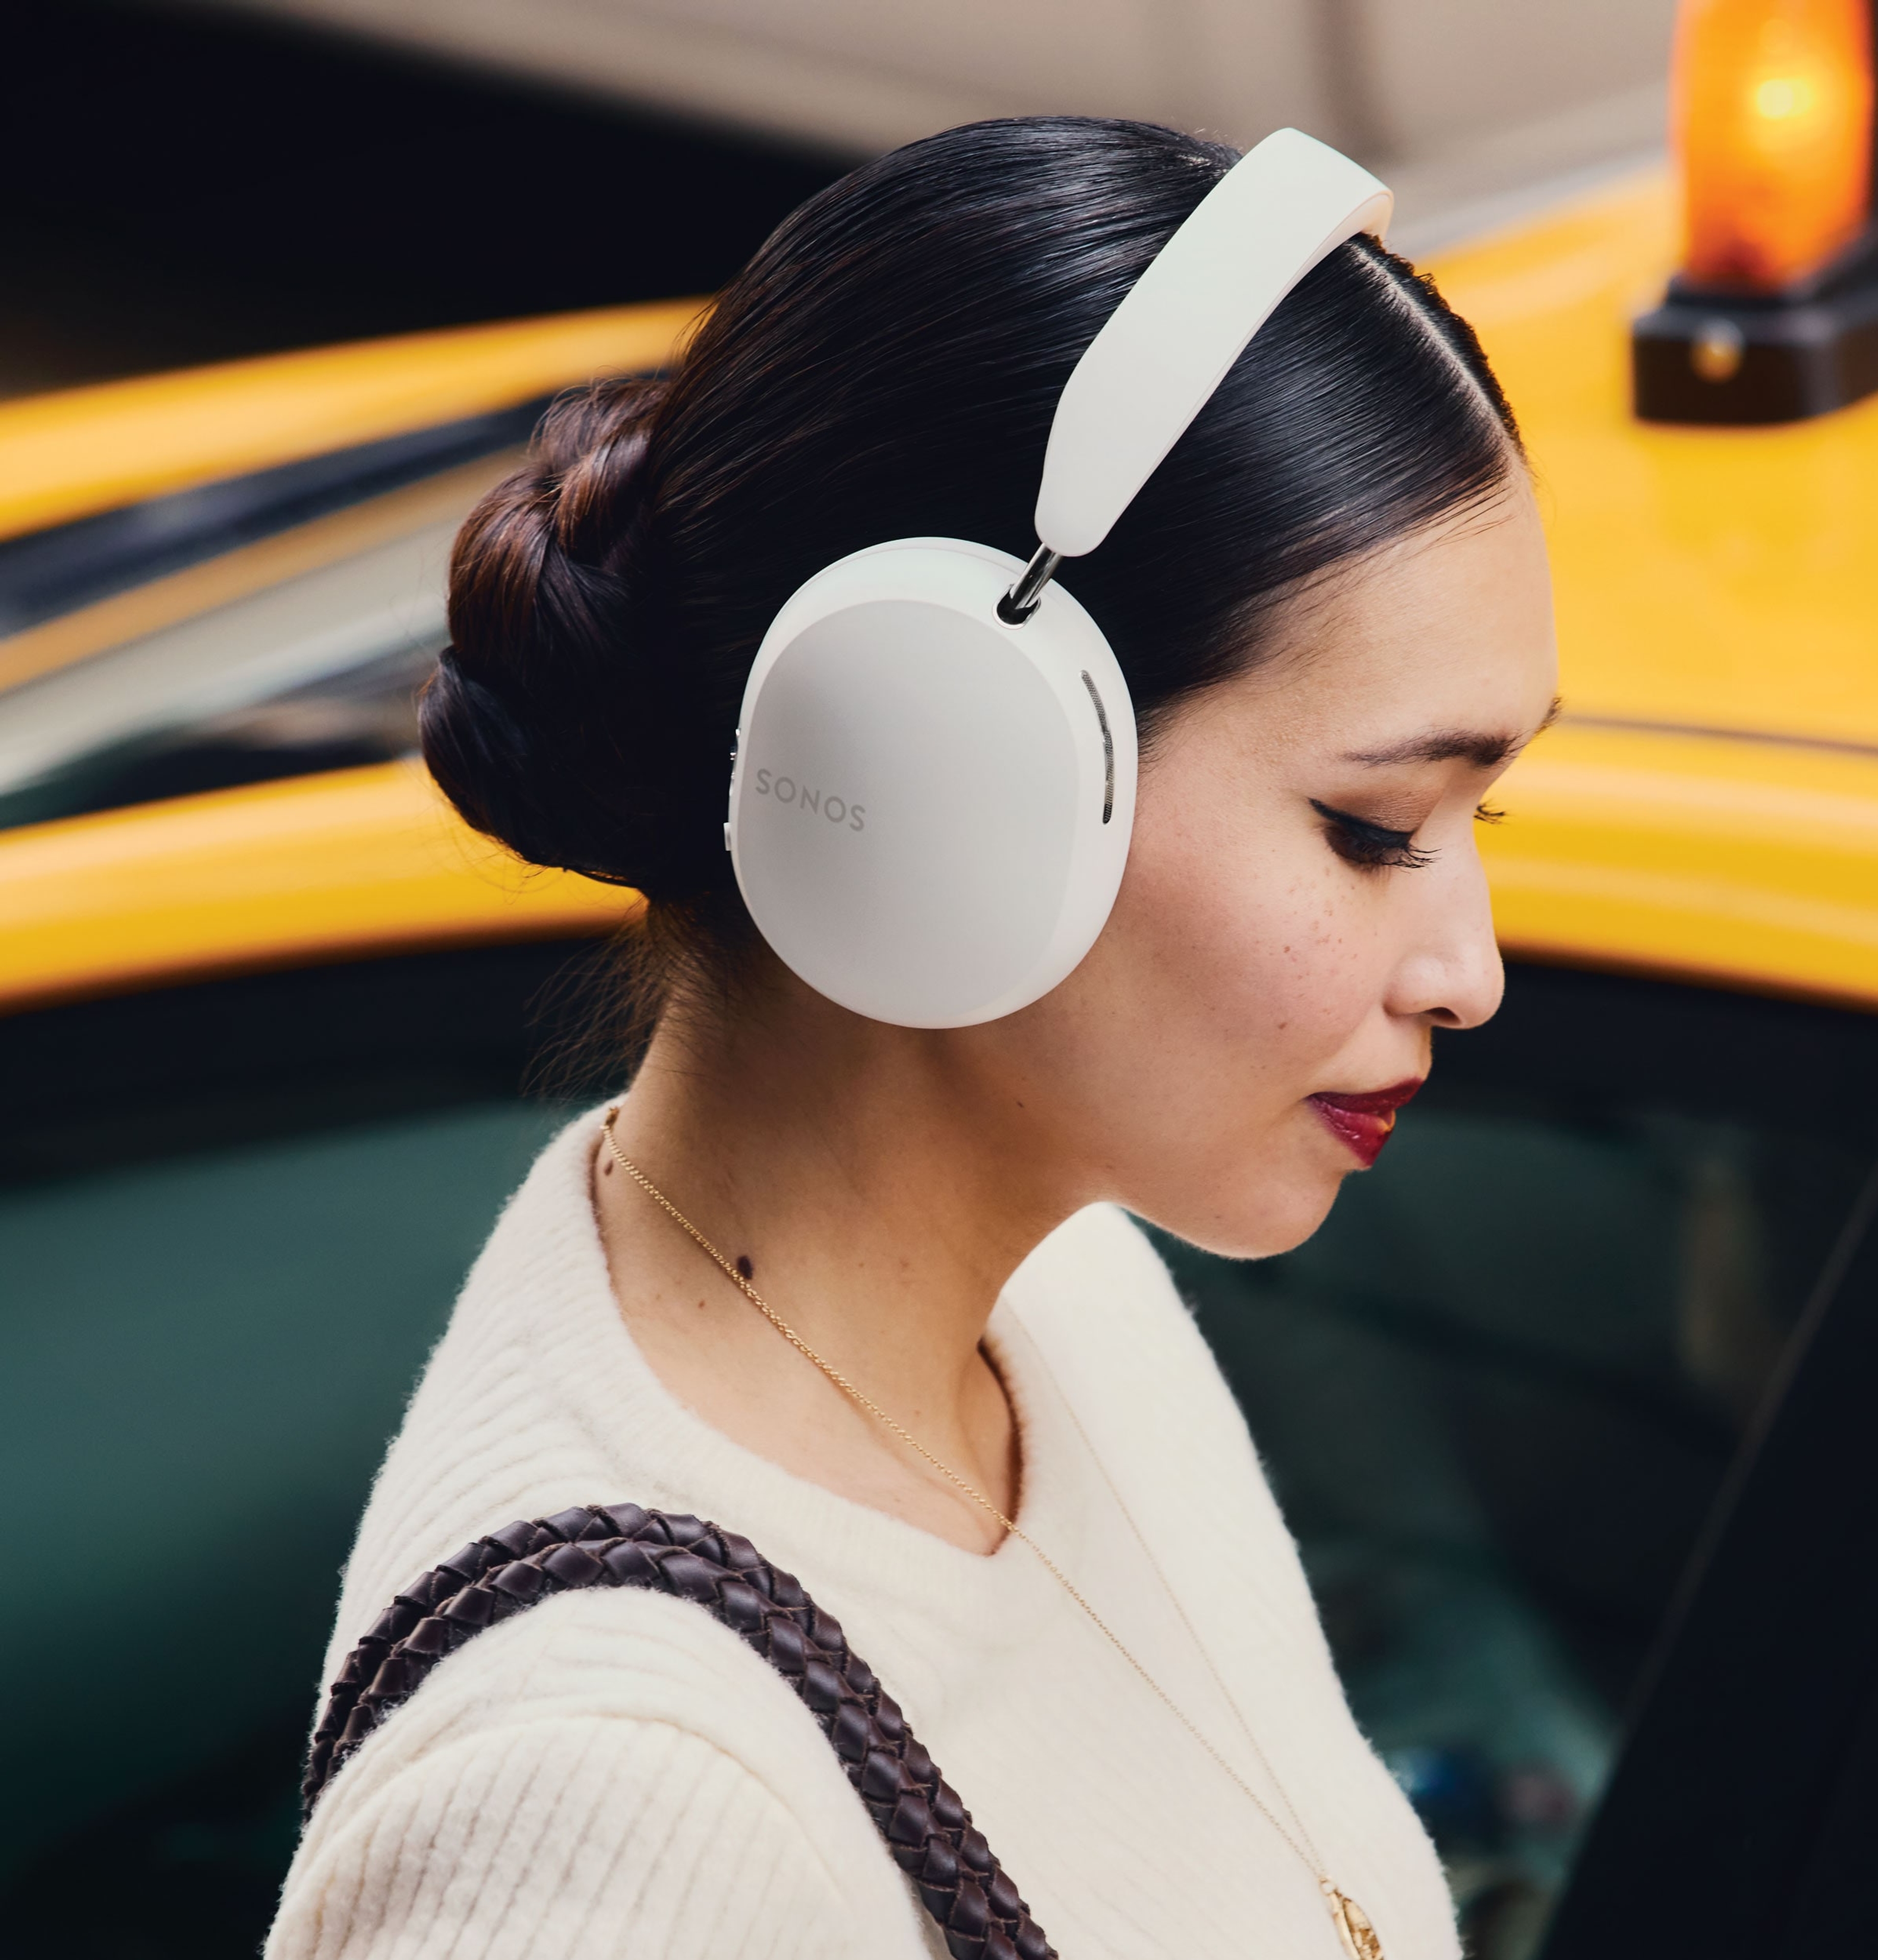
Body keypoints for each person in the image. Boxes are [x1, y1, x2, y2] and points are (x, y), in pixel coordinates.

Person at [268, 115, 1557, 1960]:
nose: (1466, 970)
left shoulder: (1068, 1297)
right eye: (1374, 830)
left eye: (1473, 826)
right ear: (965, 762)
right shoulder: (609, 1821)